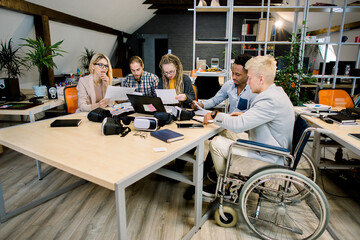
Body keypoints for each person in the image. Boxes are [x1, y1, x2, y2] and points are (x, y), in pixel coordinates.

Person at [203, 55, 295, 196]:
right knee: (225, 134)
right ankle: (229, 182)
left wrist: (215, 115)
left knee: (216, 143)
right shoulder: (276, 93)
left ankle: (227, 186)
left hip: (269, 157)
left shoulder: (268, 100)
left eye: (250, 78)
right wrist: (243, 116)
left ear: (261, 79)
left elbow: (239, 126)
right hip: (272, 147)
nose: (248, 82)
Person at [191, 54, 257, 113]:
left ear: (248, 73)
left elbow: (254, 116)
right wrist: (201, 105)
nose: (233, 77)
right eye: (232, 73)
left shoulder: (254, 91)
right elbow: (215, 100)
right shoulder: (229, 85)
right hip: (230, 123)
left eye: (237, 74)